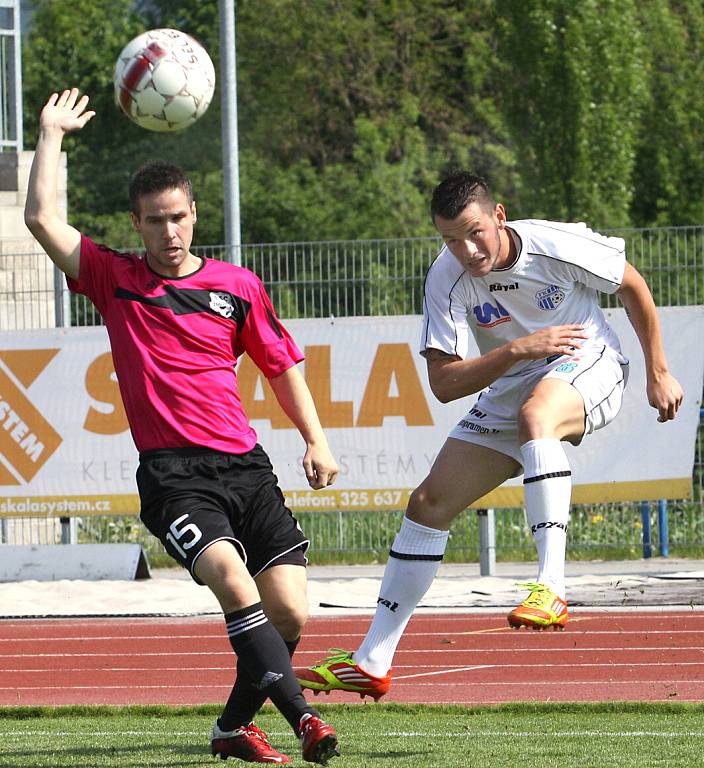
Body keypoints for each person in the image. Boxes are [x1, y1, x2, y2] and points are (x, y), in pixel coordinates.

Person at [24, 88, 341, 766]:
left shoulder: (237, 285)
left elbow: (281, 365)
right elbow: (42, 218)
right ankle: (305, 719)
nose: (169, 233)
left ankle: (231, 727)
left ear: (194, 214)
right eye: (153, 221)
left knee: (290, 613)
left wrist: (316, 438)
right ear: (134, 225)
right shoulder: (116, 279)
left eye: (178, 218)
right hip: (175, 477)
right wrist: (49, 134)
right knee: (234, 582)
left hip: (246, 468)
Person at [295, 169, 684, 701]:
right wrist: (517, 351)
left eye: (474, 231)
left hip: (586, 358)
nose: (467, 249)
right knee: (428, 503)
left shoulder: (553, 245)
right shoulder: (445, 276)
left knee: (537, 414)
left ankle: (552, 587)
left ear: (498, 216)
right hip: (514, 379)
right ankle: (371, 661)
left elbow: (632, 285)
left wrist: (658, 371)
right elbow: (443, 383)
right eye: (451, 239)